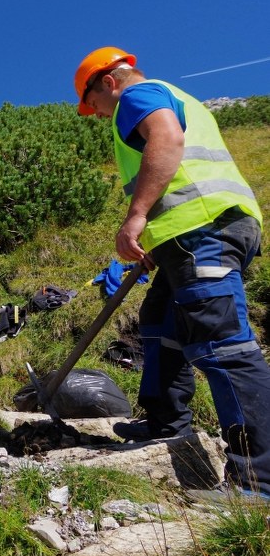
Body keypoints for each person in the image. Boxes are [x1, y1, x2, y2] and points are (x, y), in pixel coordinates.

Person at [75, 46, 270, 498]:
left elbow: (166, 140)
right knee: (160, 321)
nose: (99, 116)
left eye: (94, 106)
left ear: (108, 82)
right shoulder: (176, 95)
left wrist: (136, 216)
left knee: (223, 345)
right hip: (190, 234)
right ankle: (166, 424)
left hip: (203, 229)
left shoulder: (136, 97)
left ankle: (258, 481)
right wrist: (158, 240)